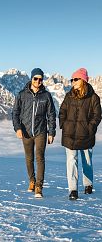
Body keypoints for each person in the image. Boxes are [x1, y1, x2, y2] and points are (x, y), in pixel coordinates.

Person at [12, 68, 56, 198]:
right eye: (35, 78)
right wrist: (18, 128)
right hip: (25, 131)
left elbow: (51, 115)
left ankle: (39, 186)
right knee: (29, 158)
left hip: (40, 131)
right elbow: (15, 113)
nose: (38, 81)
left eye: (40, 79)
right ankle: (31, 180)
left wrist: (51, 132)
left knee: (40, 158)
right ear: (31, 79)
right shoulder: (22, 94)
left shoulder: (46, 96)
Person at [59, 68, 101, 200]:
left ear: (83, 80)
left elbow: (97, 115)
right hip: (69, 134)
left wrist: (90, 128)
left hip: (86, 135)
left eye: (75, 79)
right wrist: (64, 125)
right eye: (72, 79)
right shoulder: (68, 95)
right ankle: (73, 190)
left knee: (87, 161)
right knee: (71, 161)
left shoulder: (93, 97)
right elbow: (62, 112)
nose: (73, 82)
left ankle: (88, 185)